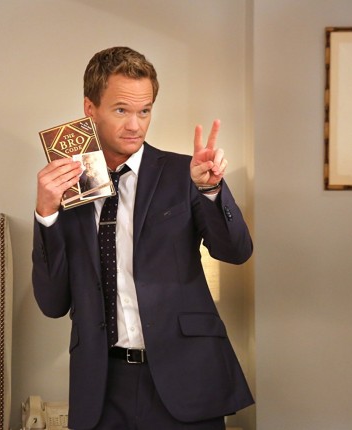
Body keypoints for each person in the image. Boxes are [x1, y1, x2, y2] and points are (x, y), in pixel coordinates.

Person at [32, 46, 253, 430]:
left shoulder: (187, 173)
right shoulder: (66, 189)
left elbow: (236, 251)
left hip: (187, 377)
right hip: (102, 388)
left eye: (145, 111)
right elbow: (52, 303)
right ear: (90, 108)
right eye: (121, 110)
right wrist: (46, 214)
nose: (135, 125)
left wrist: (211, 190)